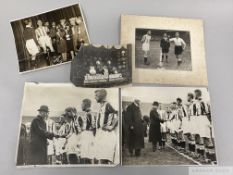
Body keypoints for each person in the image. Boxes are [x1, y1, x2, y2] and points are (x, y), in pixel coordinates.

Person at [93, 89, 118, 164]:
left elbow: (118, 114)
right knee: (99, 158)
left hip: (107, 134)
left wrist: (112, 126)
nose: (95, 97)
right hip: (100, 133)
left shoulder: (108, 104)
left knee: (104, 158)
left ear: (102, 96)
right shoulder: (100, 106)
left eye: (96, 95)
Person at [79, 99, 96, 164]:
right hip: (86, 136)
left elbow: (93, 127)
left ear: (86, 105)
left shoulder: (90, 114)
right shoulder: (87, 114)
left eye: (82, 104)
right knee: (85, 156)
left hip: (89, 136)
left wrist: (92, 139)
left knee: (90, 156)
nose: (81, 106)